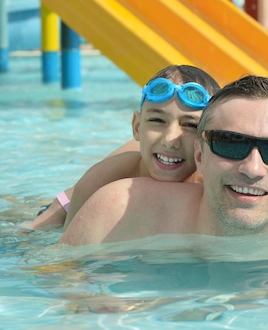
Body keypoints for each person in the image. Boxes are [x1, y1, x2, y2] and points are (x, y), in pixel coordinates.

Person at [59, 75, 268, 244]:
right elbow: (54, 286)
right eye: (230, 144)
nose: (252, 168)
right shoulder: (116, 212)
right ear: (199, 155)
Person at [27, 65, 220, 230]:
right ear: (137, 127)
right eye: (157, 120)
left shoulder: (213, 182)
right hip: (69, 205)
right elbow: (70, 249)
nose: (170, 140)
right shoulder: (106, 177)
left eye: (190, 125)